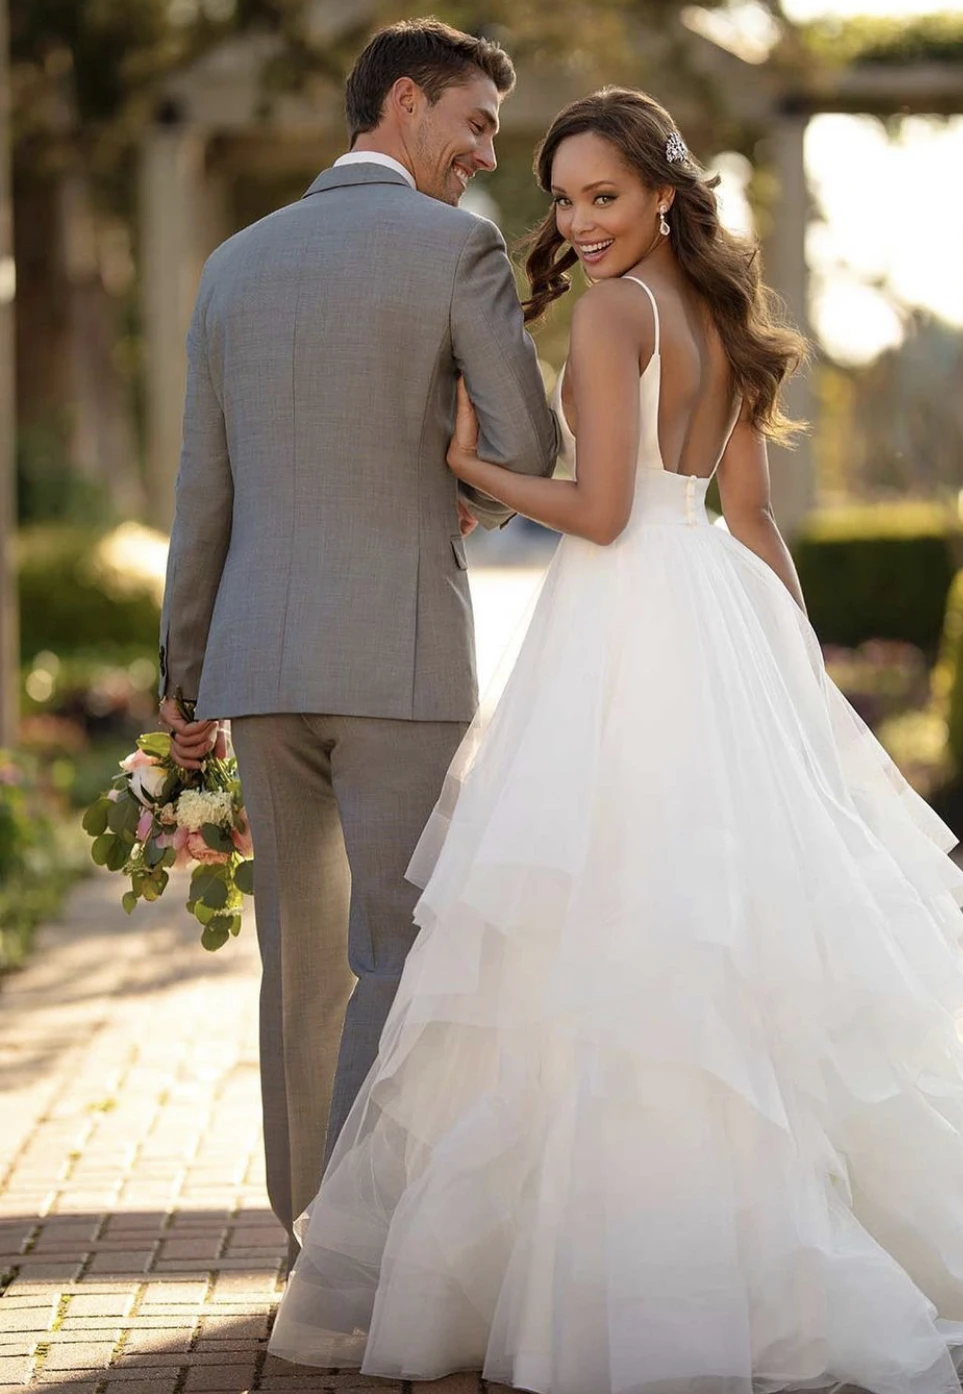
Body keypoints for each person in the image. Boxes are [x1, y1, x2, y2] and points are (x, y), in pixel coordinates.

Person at [268, 87, 963, 1390]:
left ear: (662, 191)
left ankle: (651, 1270)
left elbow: (602, 514)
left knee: (617, 935)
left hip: (626, 632)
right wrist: (799, 677)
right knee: (727, 939)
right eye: (561, 200)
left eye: (601, 195)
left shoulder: (614, 315)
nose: (579, 223)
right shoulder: (723, 317)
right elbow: (753, 517)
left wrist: (472, 470)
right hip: (717, 620)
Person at [157, 19, 558, 1263]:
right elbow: (529, 452)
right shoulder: (455, 248)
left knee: (301, 964)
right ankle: (368, 1242)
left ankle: (304, 1227)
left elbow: (203, 487)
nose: (486, 155)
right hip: (401, 661)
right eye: (476, 123)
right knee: (399, 951)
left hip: (261, 670)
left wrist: (186, 668)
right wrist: (467, 481)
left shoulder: (234, 262)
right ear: (403, 103)